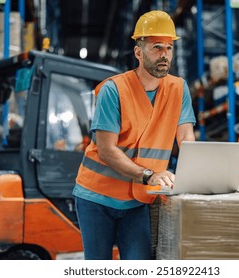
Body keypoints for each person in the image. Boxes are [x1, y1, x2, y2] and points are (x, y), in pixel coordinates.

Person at [72, 10, 196, 260]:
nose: (164, 55)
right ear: (138, 52)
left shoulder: (178, 89)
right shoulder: (112, 90)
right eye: (157, 47)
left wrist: (199, 177)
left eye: (169, 48)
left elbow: (186, 140)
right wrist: (148, 175)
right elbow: (106, 150)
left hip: (138, 200)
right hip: (97, 198)